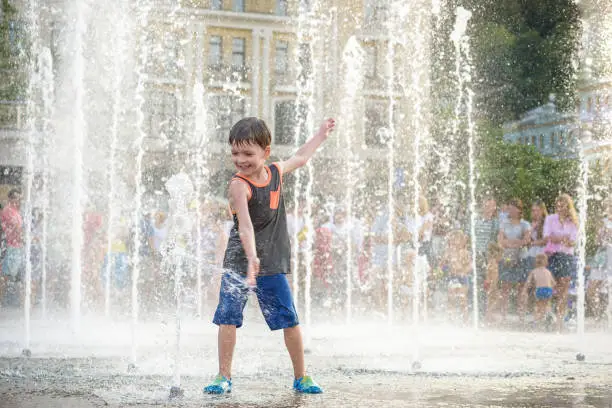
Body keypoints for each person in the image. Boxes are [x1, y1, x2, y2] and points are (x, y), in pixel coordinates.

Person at [203, 116, 335, 395]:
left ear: (266, 151)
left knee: (289, 319)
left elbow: (300, 157)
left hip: (271, 262)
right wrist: (251, 258)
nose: (240, 159)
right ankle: (223, 376)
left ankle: (301, 376)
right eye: (235, 153)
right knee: (228, 318)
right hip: (240, 262)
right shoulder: (238, 186)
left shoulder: (275, 171)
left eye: (248, 153)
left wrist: (321, 135)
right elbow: (246, 227)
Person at [543, 193, 578, 330]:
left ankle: (559, 319)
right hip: (553, 255)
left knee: (564, 288)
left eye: (562, 206)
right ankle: (549, 316)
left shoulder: (573, 221)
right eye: (557, 206)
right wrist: (563, 239)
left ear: (568, 207)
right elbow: (547, 236)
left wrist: (558, 238)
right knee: (552, 287)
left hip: (567, 256)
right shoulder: (550, 219)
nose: (559, 208)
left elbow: (572, 242)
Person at [497, 198, 530, 324]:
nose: (509, 210)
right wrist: (516, 243)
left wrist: (510, 243)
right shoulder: (504, 223)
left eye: (511, 208)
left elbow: (527, 241)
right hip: (507, 257)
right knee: (505, 286)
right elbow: (500, 240)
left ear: (518, 209)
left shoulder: (525, 224)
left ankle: (521, 317)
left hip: (522, 257)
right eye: (508, 208)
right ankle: (503, 316)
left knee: (521, 287)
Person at [0, 189, 24, 306]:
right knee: (4, 277)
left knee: (18, 277)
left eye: (19, 198)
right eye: (15, 197)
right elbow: (16, 228)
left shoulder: (15, 211)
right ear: (10, 198)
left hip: (16, 247)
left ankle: (24, 304)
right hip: (10, 247)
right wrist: (22, 236)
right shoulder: (7, 210)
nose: (17, 200)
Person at [522, 253, 555, 327]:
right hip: (548, 290)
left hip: (539, 290)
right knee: (547, 304)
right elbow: (553, 283)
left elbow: (528, 282)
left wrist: (524, 290)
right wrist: (553, 290)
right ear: (546, 262)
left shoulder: (534, 271)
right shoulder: (548, 271)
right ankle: (547, 316)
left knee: (538, 305)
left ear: (536, 262)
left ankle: (536, 320)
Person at [484, 242, 503, 325]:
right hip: (491, 283)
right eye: (501, 256)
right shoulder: (493, 263)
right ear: (497, 255)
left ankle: (489, 316)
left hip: (488, 283)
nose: (501, 258)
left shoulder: (491, 262)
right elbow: (492, 276)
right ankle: (488, 314)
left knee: (490, 300)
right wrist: (493, 286)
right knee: (497, 299)